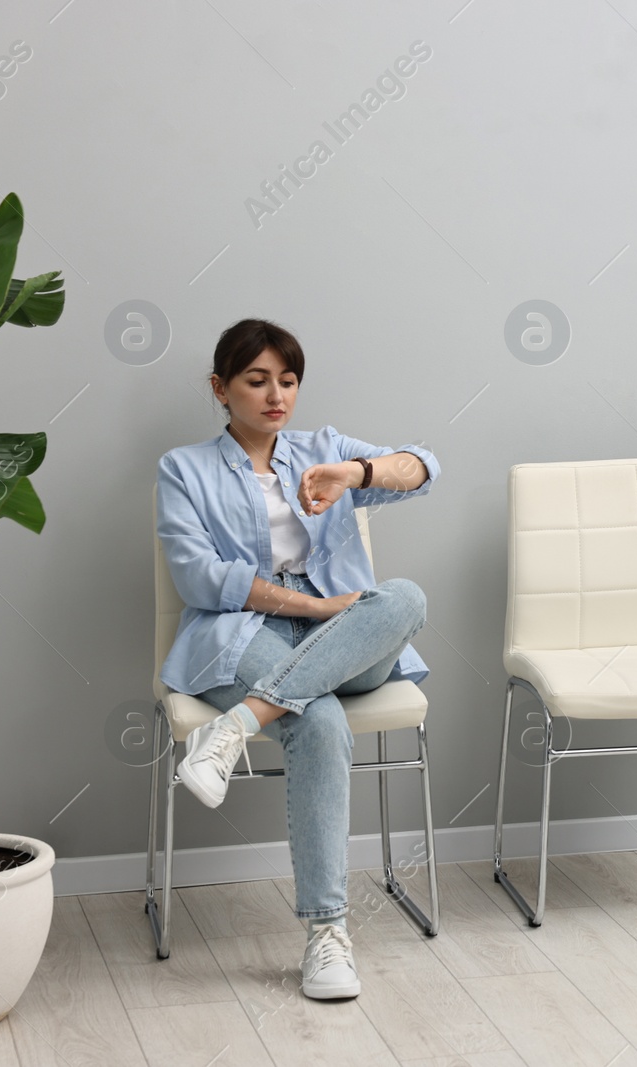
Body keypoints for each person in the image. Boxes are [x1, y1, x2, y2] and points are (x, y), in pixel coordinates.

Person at [155, 318, 440, 998]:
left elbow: (425, 467)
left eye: (287, 380)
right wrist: (317, 609)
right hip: (242, 635)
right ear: (221, 388)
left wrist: (356, 471)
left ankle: (236, 727)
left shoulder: (323, 449)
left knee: (404, 595)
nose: (276, 394)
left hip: (350, 646)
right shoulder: (184, 468)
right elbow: (198, 577)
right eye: (257, 380)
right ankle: (327, 935)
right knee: (318, 722)